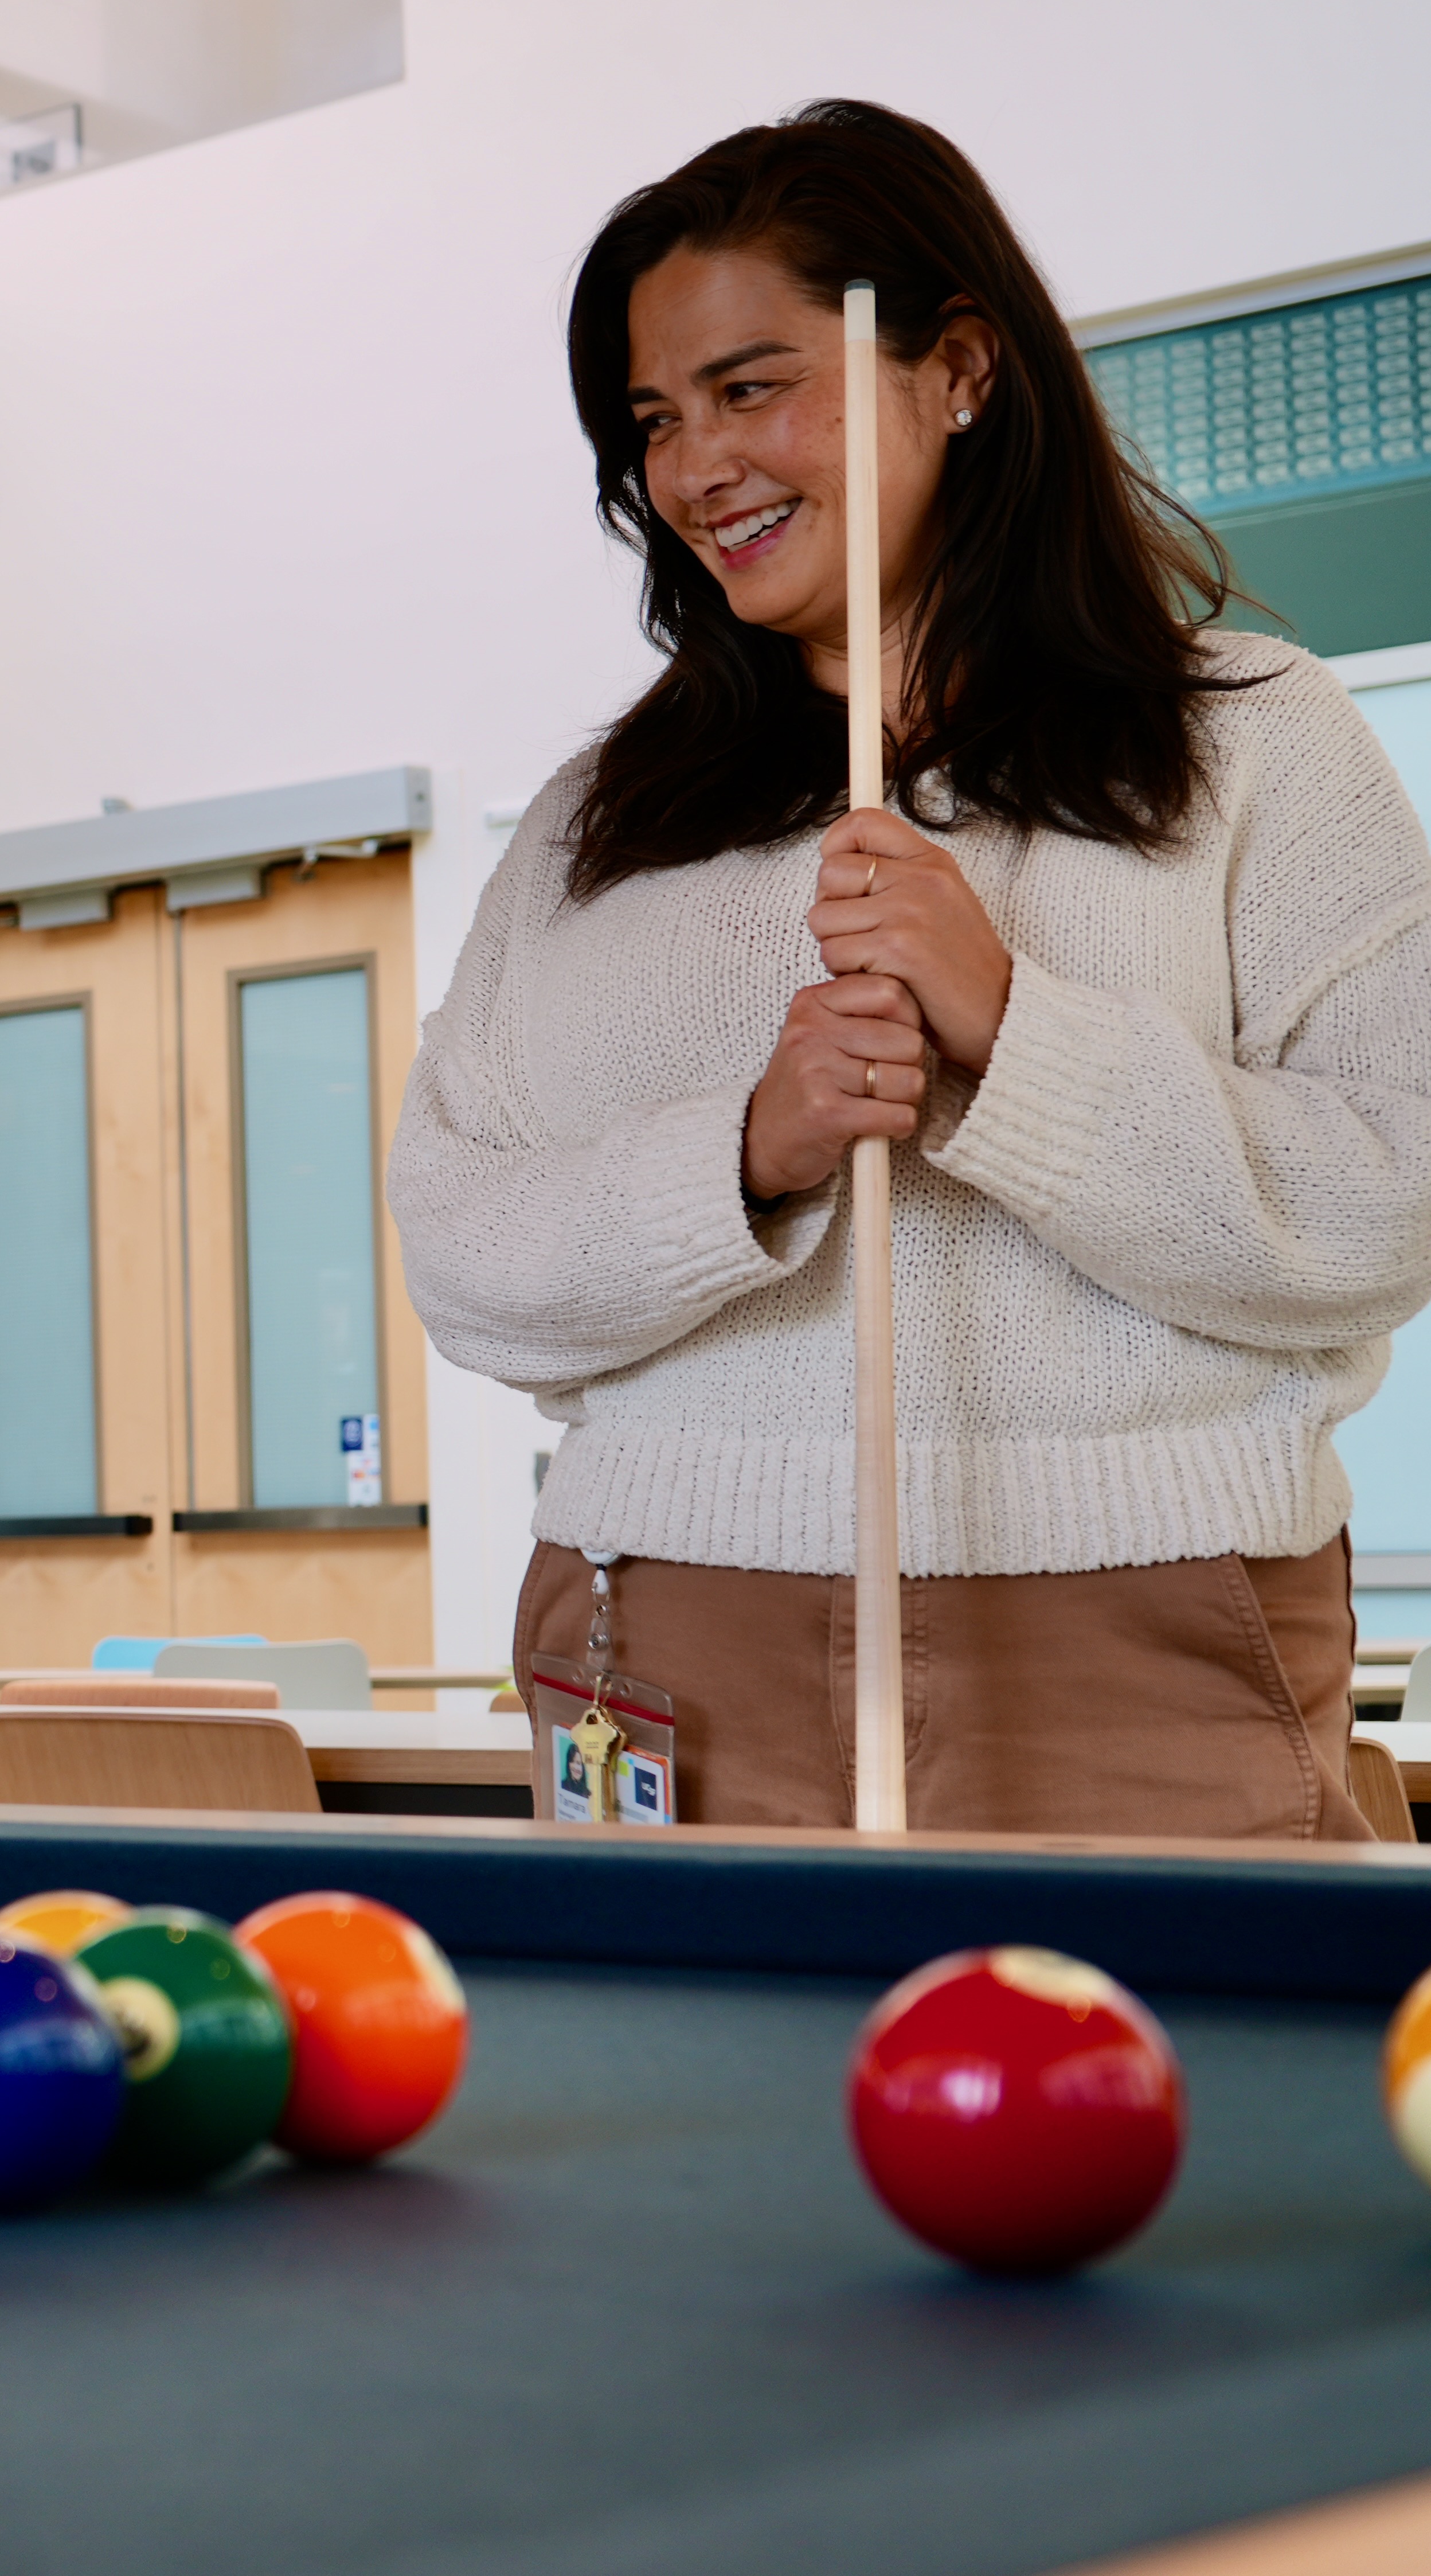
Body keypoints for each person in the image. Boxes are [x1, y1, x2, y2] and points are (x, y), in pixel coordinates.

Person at [392, 102, 1431, 1837]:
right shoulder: (593, 824)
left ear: (956, 369)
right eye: (654, 420)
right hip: (665, 1631)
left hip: (1149, 1623)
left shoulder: (1253, 740)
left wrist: (1015, 1034)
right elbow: (466, 1259)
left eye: (751, 388)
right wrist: (747, 1156)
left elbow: (1393, 1205)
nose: (695, 468)